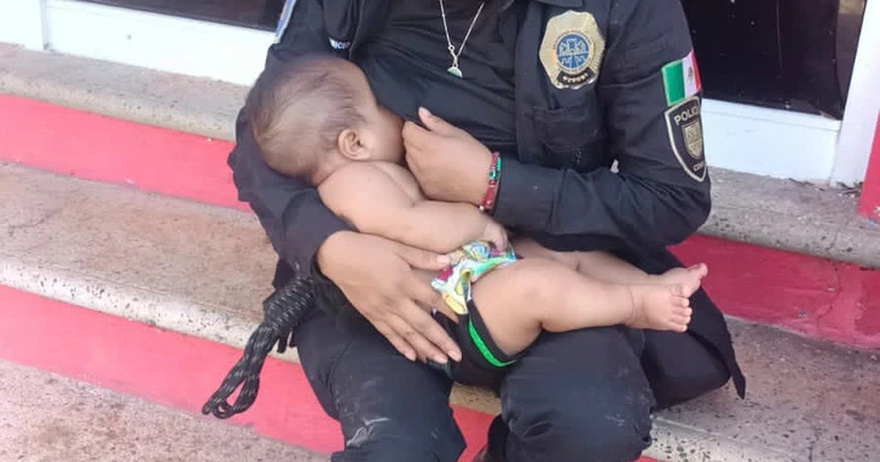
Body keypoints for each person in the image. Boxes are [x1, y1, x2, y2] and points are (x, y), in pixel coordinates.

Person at [228, 0, 747, 460]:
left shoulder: (626, 8)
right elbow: (266, 131)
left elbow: (671, 196)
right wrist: (332, 247)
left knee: (590, 427)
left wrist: (497, 184)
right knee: (395, 443)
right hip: (382, 273)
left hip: (537, 258)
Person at [246, 55, 708, 379]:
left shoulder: (371, 171)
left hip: (473, 277)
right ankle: (634, 307)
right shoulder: (352, 183)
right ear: (354, 143)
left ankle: (650, 285)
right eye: (378, 106)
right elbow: (412, 225)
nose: (393, 111)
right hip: (457, 319)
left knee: (557, 253)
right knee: (538, 285)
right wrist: (479, 221)